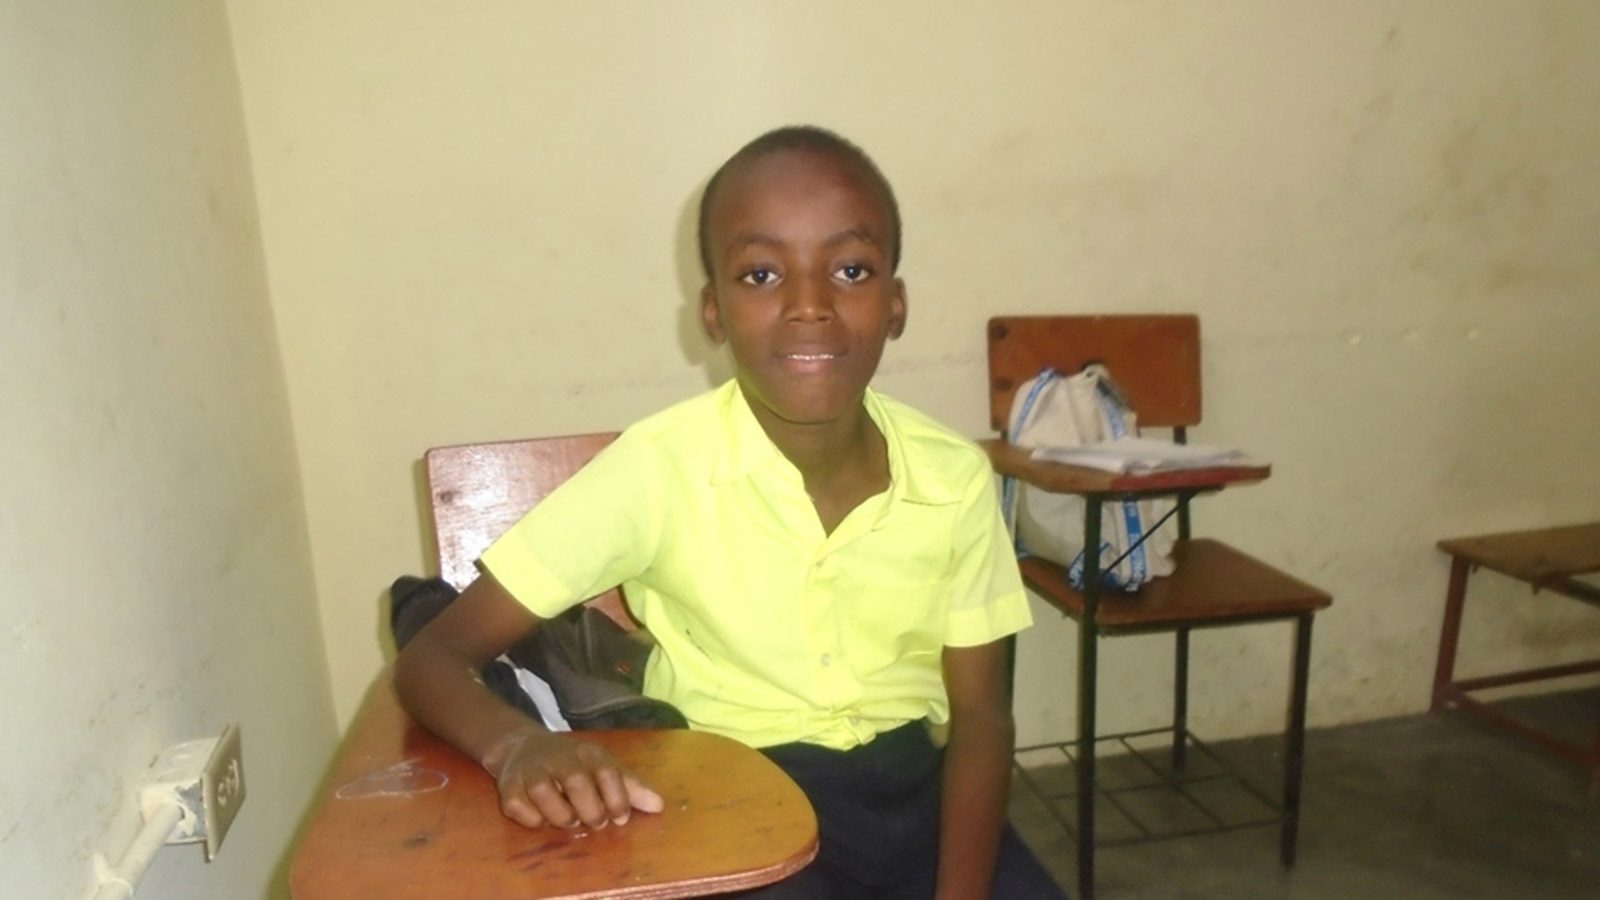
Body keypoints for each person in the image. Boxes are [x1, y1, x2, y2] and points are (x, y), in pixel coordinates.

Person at [394, 125, 1066, 899]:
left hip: (923, 796)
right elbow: (434, 656)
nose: (809, 305)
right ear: (712, 313)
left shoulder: (954, 478)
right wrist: (514, 747)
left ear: (896, 304)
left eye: (851, 269)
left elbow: (982, 719)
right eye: (760, 275)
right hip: (735, 797)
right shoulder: (657, 470)